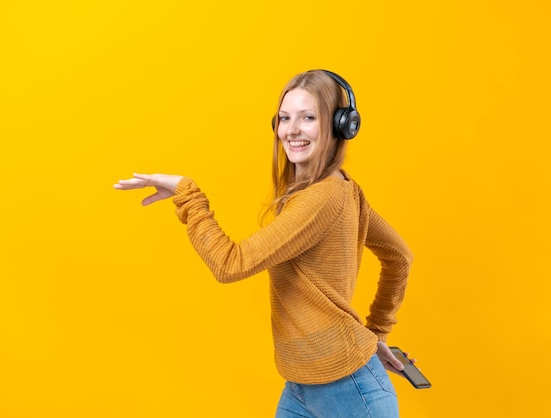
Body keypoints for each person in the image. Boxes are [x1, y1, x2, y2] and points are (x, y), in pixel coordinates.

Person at [114, 69, 414, 418]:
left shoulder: (323, 197)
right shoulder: (339, 189)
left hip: (349, 390)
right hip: (302, 385)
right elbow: (400, 255)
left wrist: (188, 194)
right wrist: (376, 332)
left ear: (340, 126)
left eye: (308, 118)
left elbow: (230, 264)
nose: (292, 130)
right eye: (285, 118)